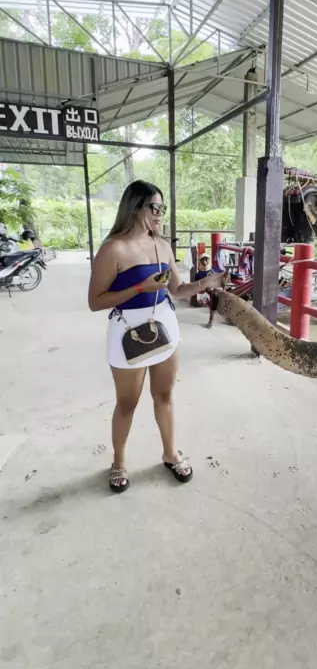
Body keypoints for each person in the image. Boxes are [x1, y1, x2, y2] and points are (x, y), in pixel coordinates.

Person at [88, 180, 225, 493]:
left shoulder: (162, 246)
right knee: (127, 403)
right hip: (126, 331)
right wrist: (140, 287)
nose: (161, 213)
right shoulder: (113, 248)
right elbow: (95, 301)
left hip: (164, 326)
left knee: (164, 395)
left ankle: (170, 453)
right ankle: (119, 461)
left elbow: (176, 290)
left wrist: (207, 283)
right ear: (136, 207)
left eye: (163, 208)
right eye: (156, 207)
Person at [194, 252, 224, 328]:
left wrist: (235, 276)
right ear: (200, 261)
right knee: (215, 295)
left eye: (206, 260)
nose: (204, 262)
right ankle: (211, 319)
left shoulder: (215, 269)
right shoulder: (199, 274)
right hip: (210, 290)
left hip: (220, 287)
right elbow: (198, 286)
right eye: (202, 260)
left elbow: (224, 274)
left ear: (209, 260)